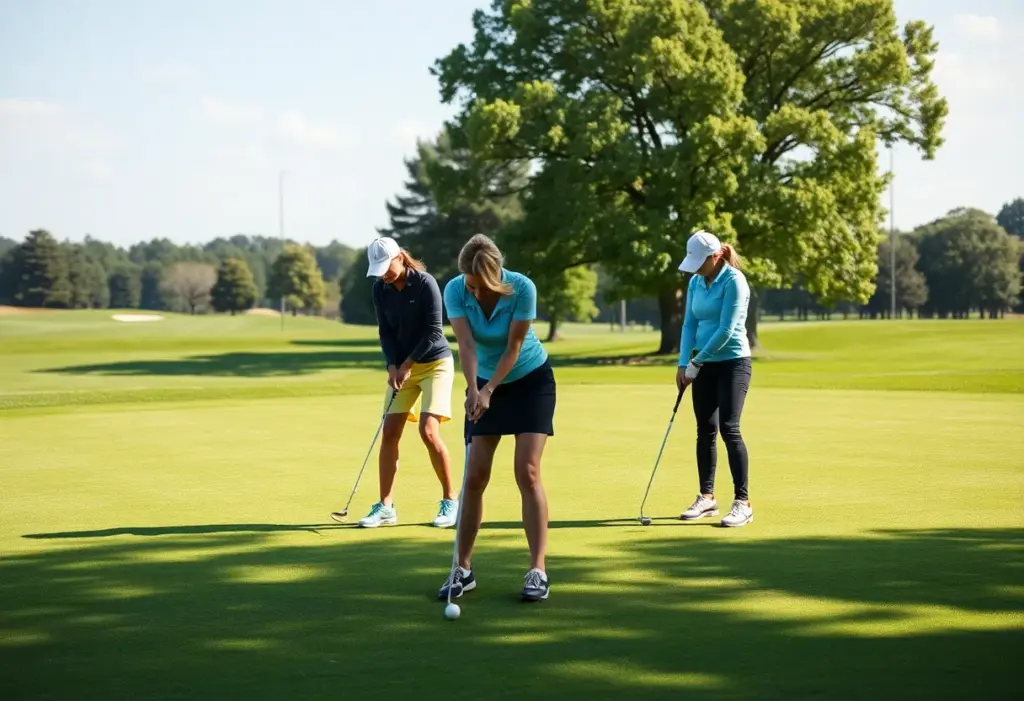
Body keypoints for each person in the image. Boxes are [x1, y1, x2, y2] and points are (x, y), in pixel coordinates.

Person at [437, 233, 556, 602]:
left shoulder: (522, 288)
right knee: (474, 475)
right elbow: (467, 345)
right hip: (484, 380)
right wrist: (474, 388)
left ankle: (537, 570)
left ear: (493, 276)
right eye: (468, 285)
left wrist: (488, 391)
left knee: (528, 471)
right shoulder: (455, 290)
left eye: (478, 285)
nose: (472, 292)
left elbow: (514, 346)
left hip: (530, 381)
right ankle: (463, 568)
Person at [333, 236, 458, 529]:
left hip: (435, 364)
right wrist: (392, 366)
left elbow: (433, 331)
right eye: (378, 269)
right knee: (389, 432)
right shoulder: (380, 289)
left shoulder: (425, 283)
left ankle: (450, 500)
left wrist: (406, 365)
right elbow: (385, 332)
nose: (384, 274)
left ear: (400, 258)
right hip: (402, 367)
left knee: (429, 431)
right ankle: (386, 506)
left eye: (387, 266)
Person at [675, 230, 754, 527]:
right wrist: (684, 363)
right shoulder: (697, 281)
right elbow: (688, 324)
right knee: (704, 430)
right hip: (702, 363)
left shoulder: (735, 281)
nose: (694, 267)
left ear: (715, 257)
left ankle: (742, 502)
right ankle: (707, 498)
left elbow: (726, 330)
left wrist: (696, 361)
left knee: (729, 428)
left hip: (733, 363)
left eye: (699, 261)